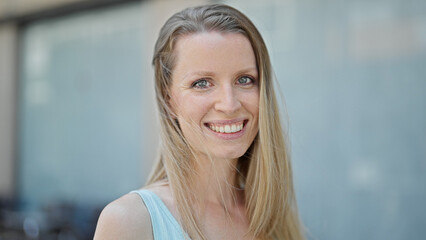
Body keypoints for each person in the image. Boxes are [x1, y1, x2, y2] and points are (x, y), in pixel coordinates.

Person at [94, 4, 305, 240]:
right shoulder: (130, 221)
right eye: (202, 83)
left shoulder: (273, 217)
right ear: (169, 100)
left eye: (244, 79)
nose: (229, 104)